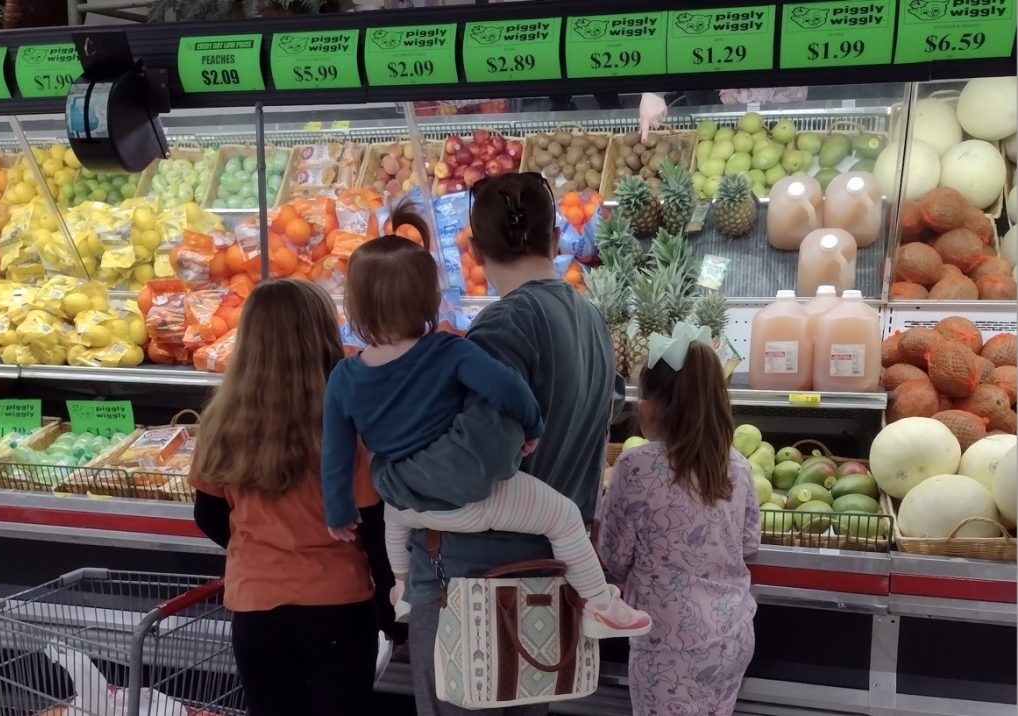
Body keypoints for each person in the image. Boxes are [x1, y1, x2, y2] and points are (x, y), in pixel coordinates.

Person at [321, 202, 651, 639]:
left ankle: (401, 588)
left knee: (394, 523)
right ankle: (600, 603)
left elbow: (336, 453)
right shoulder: (449, 351)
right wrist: (532, 426)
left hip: (408, 504)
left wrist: (339, 510)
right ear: (431, 299)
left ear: (354, 306)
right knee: (564, 517)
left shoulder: (344, 376)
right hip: (472, 505)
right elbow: (509, 388)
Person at [369, 173, 617, 716]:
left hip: (475, 588)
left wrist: (389, 478)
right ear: (555, 239)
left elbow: (473, 465)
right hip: (544, 582)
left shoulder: (505, 324)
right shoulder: (590, 320)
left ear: (475, 250)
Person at [190, 279, 395, 716]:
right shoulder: (349, 415)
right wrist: (389, 602)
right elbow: (372, 520)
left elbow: (207, 513)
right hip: (338, 603)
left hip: (255, 607)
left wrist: (261, 549)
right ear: (323, 332)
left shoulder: (221, 419)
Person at [598, 322, 760, 716]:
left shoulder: (636, 467)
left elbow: (613, 557)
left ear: (651, 405)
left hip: (669, 643)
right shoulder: (737, 466)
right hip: (733, 635)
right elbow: (749, 545)